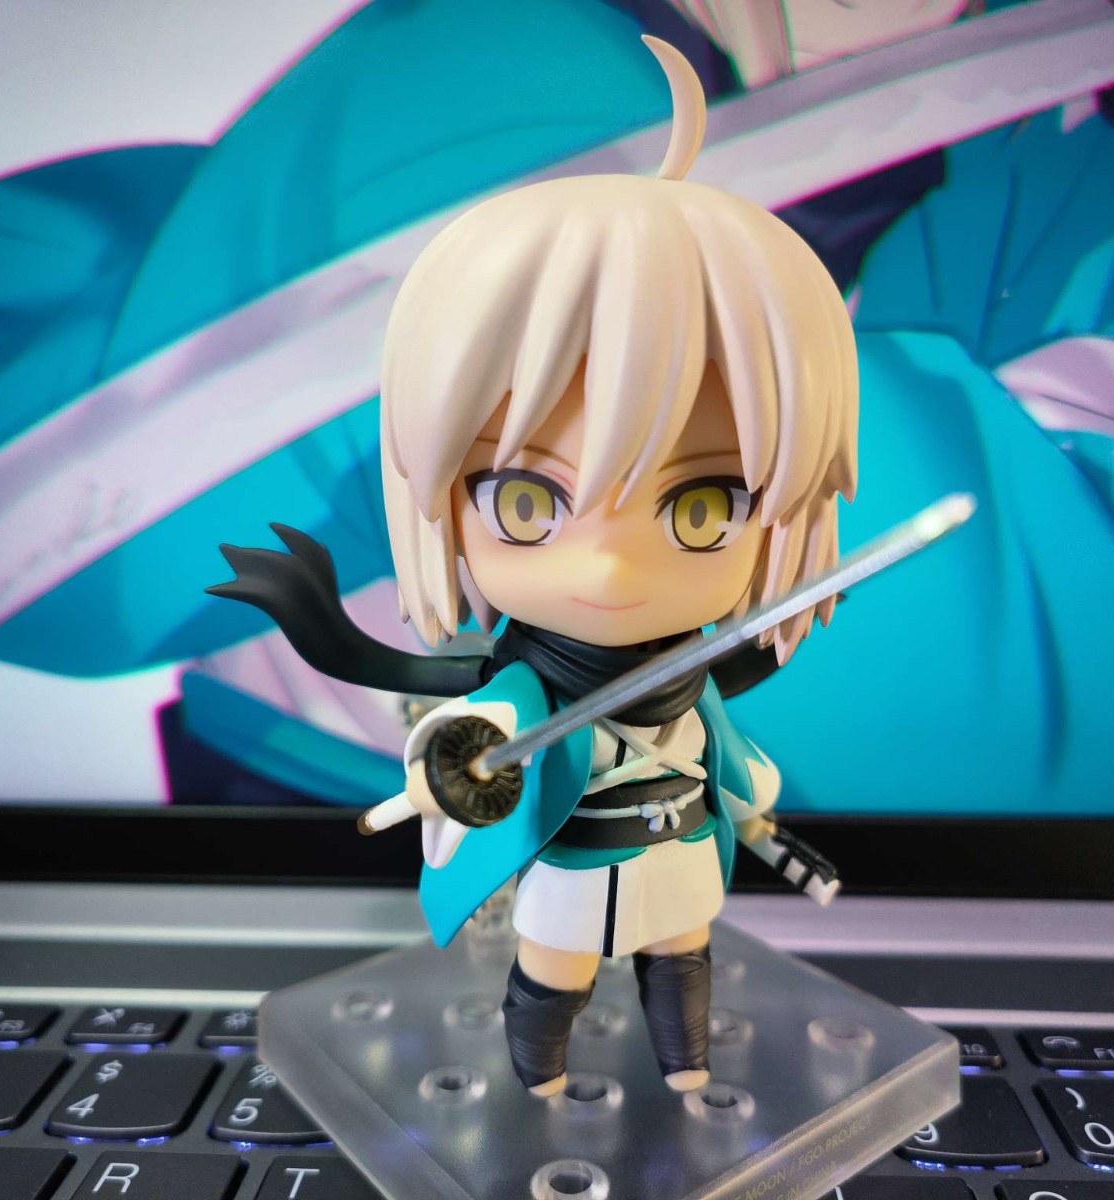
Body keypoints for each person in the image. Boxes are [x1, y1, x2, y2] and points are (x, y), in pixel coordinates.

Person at [212, 37, 855, 1098]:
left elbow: (730, 735)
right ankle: (543, 1079)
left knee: (682, 957)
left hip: (680, 851)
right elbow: (450, 710)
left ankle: (685, 1070)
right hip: (574, 860)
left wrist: (751, 811)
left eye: (701, 508)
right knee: (555, 970)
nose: (607, 567)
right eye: (528, 502)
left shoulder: (696, 672)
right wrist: (347, 658)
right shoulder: (525, 690)